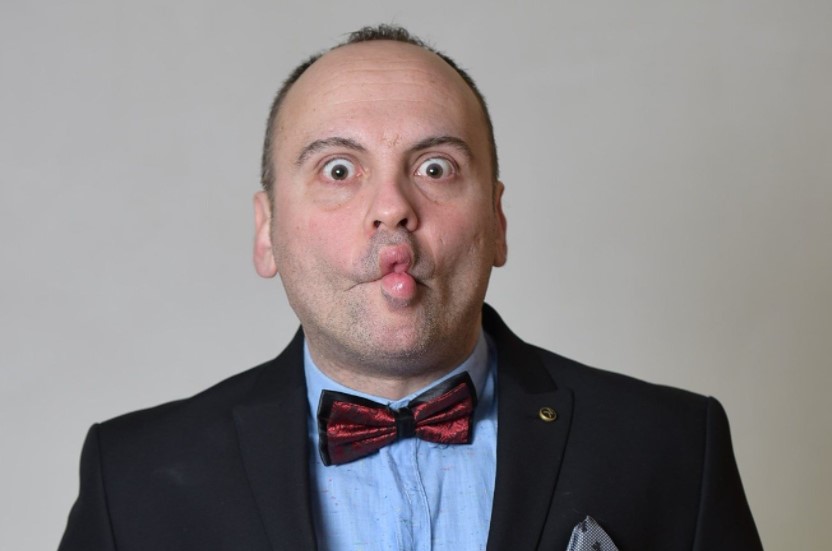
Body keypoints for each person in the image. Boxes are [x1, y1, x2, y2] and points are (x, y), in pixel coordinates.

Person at [59, 25, 762, 550]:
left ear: (497, 222)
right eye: (339, 170)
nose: (392, 207)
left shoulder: (674, 447)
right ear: (267, 230)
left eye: (435, 168)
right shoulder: (131, 478)